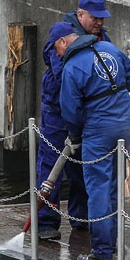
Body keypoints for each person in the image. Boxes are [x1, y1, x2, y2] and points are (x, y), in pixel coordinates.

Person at [54, 0, 130, 260]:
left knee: (98, 187)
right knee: (114, 183)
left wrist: (76, 135)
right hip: (125, 122)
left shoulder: (73, 66)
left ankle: (101, 251)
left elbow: (70, 110)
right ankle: (111, 240)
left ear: (67, 44)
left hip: (98, 129)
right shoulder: (112, 50)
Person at [35, 22, 89, 240]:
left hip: (78, 115)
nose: (99, 23)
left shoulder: (93, 41)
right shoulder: (60, 48)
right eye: (95, 18)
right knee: (50, 168)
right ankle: (45, 221)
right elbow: (66, 78)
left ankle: (82, 217)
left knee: (82, 167)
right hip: (57, 117)